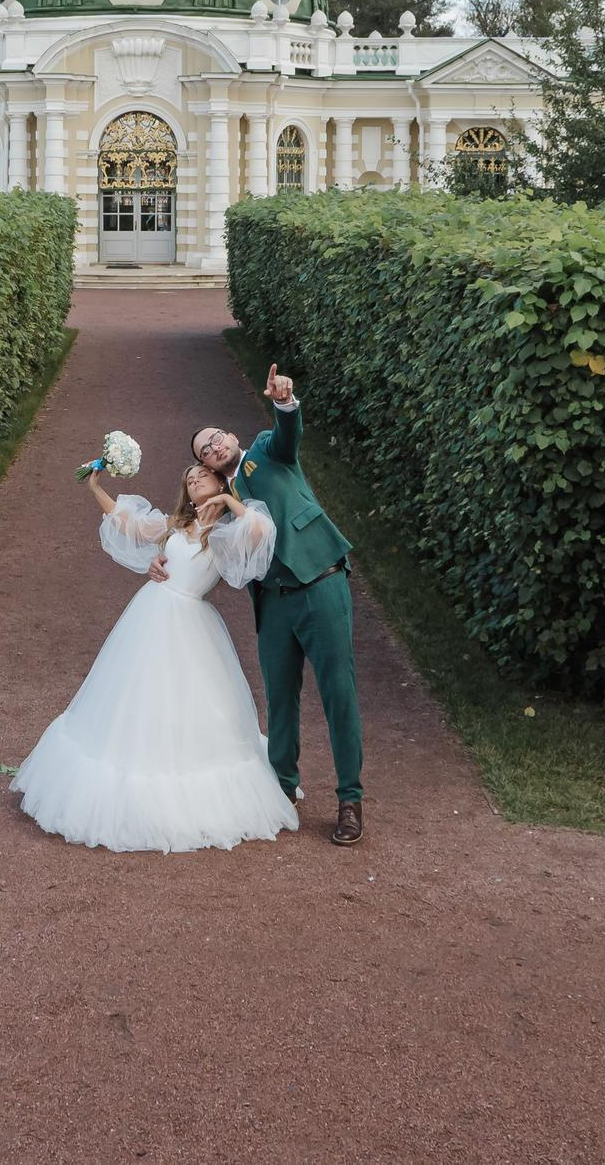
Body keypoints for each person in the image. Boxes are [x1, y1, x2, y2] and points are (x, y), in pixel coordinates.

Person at [11, 464, 298, 853]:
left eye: (202, 475)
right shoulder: (174, 524)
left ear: (218, 482)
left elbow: (262, 532)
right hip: (151, 612)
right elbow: (126, 522)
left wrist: (230, 499)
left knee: (191, 701)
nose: (194, 480)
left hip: (191, 621)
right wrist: (96, 485)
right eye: (189, 478)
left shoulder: (225, 534)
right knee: (135, 692)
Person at [172, 363, 365, 847]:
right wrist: (162, 569)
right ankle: (281, 787)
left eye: (214, 438)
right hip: (273, 602)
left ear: (231, 437)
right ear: (207, 468)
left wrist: (284, 401)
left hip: (320, 582)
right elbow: (190, 542)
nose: (213, 447)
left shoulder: (265, 450)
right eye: (203, 452)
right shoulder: (218, 497)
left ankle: (349, 798)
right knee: (280, 699)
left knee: (337, 691)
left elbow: (288, 431)